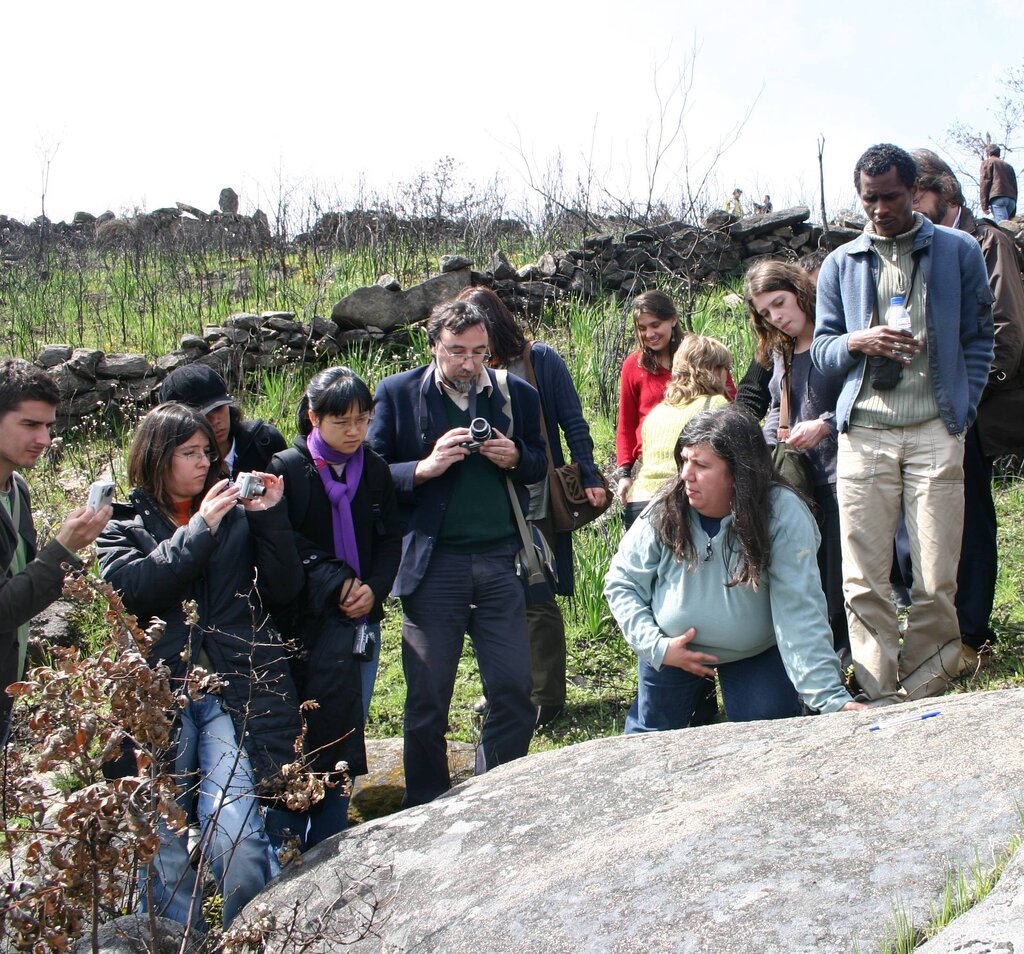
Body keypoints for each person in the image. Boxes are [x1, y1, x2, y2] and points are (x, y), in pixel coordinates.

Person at [97, 403, 304, 928]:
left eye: (206, 453)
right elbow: (135, 590)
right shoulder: (118, 525)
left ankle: (251, 934)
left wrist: (271, 517)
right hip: (157, 699)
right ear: (155, 456)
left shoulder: (233, 512)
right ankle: (179, 938)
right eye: (188, 453)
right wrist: (202, 527)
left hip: (231, 688)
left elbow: (284, 590)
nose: (202, 463)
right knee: (162, 845)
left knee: (236, 831)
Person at [811, 143, 994, 705]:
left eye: (891, 197)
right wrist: (857, 342)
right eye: (869, 199)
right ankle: (876, 683)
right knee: (863, 575)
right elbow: (819, 351)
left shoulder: (959, 251)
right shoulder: (842, 264)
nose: (880, 209)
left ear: (913, 192)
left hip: (936, 429)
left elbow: (980, 337)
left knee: (936, 573)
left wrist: (961, 408)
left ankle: (926, 681)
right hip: (864, 431)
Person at [367, 299, 547, 807]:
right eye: (457, 352)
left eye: (480, 352)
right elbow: (375, 475)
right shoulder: (398, 394)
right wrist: (423, 468)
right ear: (433, 347)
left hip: (500, 561)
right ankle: (425, 804)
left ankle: (496, 794)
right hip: (433, 564)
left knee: (513, 689)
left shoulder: (517, 395)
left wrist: (514, 456)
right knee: (427, 698)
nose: (469, 364)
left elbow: (537, 462)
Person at [604, 406, 864, 731]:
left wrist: (830, 698)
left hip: (756, 652)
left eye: (700, 464)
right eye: (684, 460)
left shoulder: (783, 514)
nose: (686, 474)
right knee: (650, 742)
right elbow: (622, 583)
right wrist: (657, 648)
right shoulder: (665, 510)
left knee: (770, 742)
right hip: (670, 651)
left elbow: (800, 609)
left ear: (738, 472)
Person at [456, 286, 606, 727]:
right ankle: (504, 692)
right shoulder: (465, 371)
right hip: (483, 501)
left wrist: (590, 474)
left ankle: (546, 696)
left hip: (535, 494)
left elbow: (572, 419)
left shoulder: (539, 359)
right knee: (490, 599)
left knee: (535, 592)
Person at [268, 366, 401, 846]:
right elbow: (282, 543)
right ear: (313, 418)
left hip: (361, 620)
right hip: (303, 626)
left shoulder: (375, 469)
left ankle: (328, 836)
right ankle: (284, 839)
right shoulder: (288, 469)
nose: (353, 432)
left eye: (362, 420)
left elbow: (389, 541)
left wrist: (373, 588)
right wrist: (338, 582)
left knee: (349, 726)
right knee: (296, 734)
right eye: (341, 422)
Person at [910, 148, 1024, 665]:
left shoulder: (987, 241)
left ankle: (973, 634)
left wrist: (969, 392)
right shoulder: (925, 247)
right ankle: (965, 625)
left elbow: (1006, 331)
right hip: (951, 406)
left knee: (975, 522)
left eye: (916, 193)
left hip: (990, 404)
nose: (909, 204)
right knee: (958, 518)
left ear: (944, 191)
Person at [0, 359, 111, 739]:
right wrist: (62, 548)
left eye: (48, 426)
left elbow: (23, 586)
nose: (45, 440)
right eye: (30, 424)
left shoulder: (17, 489)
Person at [746, 260, 847, 659]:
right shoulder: (781, 350)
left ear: (800, 289)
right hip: (799, 480)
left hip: (843, 471)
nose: (777, 317)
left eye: (780, 303)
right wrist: (770, 441)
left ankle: (848, 657)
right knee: (814, 576)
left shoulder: (836, 334)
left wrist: (824, 425)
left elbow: (866, 395)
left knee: (844, 577)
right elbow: (776, 407)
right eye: (766, 312)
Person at [623, 334, 732, 529]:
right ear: (714, 371)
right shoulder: (714, 404)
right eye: (726, 369)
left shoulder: (656, 413)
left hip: (638, 505)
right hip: (675, 505)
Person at [615, 291, 687, 504]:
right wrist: (624, 473)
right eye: (642, 328)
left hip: (695, 464)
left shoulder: (696, 355)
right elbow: (626, 424)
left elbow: (727, 399)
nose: (649, 334)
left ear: (673, 319)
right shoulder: (633, 365)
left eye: (655, 325)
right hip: (650, 467)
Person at [158, 363, 286, 478]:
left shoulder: (265, 441)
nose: (215, 420)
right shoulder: (174, 469)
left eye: (219, 408)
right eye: (203, 415)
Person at [979, 144, 1018, 222]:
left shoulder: (988, 162)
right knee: (1004, 225)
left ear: (988, 154)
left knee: (1002, 227)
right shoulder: (1008, 166)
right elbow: (1015, 186)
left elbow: (985, 182)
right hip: (1011, 200)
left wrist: (984, 205)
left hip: (998, 198)